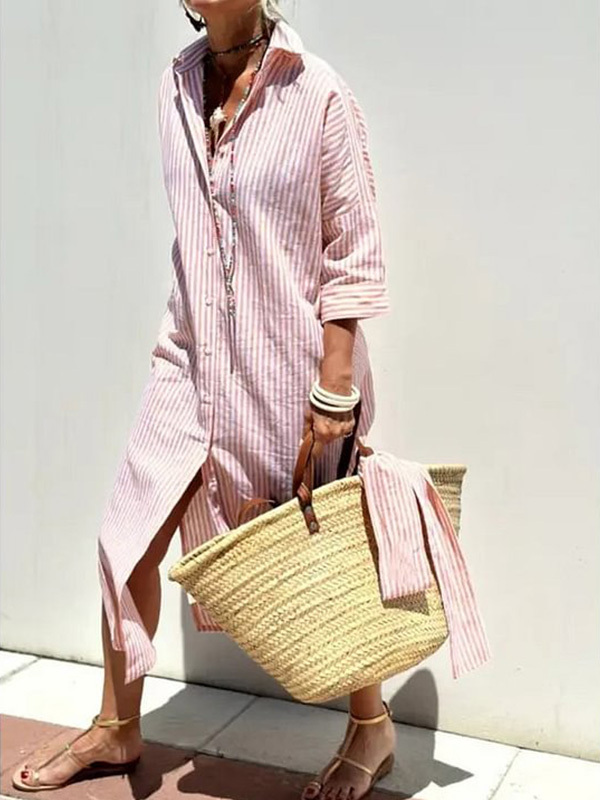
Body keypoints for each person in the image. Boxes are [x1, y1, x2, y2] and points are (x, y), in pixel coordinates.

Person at [13, 2, 398, 798]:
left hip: (291, 369)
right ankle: (118, 725)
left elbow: (353, 244)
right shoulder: (176, 87)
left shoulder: (318, 93)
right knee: (124, 538)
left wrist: (334, 382)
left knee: (321, 550)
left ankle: (372, 722)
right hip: (190, 362)